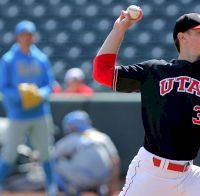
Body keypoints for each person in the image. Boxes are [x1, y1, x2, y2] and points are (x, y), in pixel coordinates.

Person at [93, 8, 200, 196]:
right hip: (151, 173)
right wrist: (119, 29)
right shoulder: (155, 71)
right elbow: (102, 72)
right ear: (182, 37)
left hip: (189, 175)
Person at [0, 20, 57, 195]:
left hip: (39, 113)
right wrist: (22, 95)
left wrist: (39, 94)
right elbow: (4, 85)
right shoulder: (8, 59)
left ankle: (51, 186)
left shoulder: (40, 58)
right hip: (18, 114)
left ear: (34, 36)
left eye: (30, 35)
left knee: (46, 152)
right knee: (10, 153)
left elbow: (50, 84)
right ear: (18, 37)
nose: (27, 38)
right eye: (24, 35)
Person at [53, 110, 120, 195]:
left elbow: (51, 155)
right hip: (104, 179)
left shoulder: (72, 138)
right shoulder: (102, 137)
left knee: (53, 164)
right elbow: (115, 160)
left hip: (83, 179)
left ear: (74, 125)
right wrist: (113, 184)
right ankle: (101, 189)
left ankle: (72, 190)